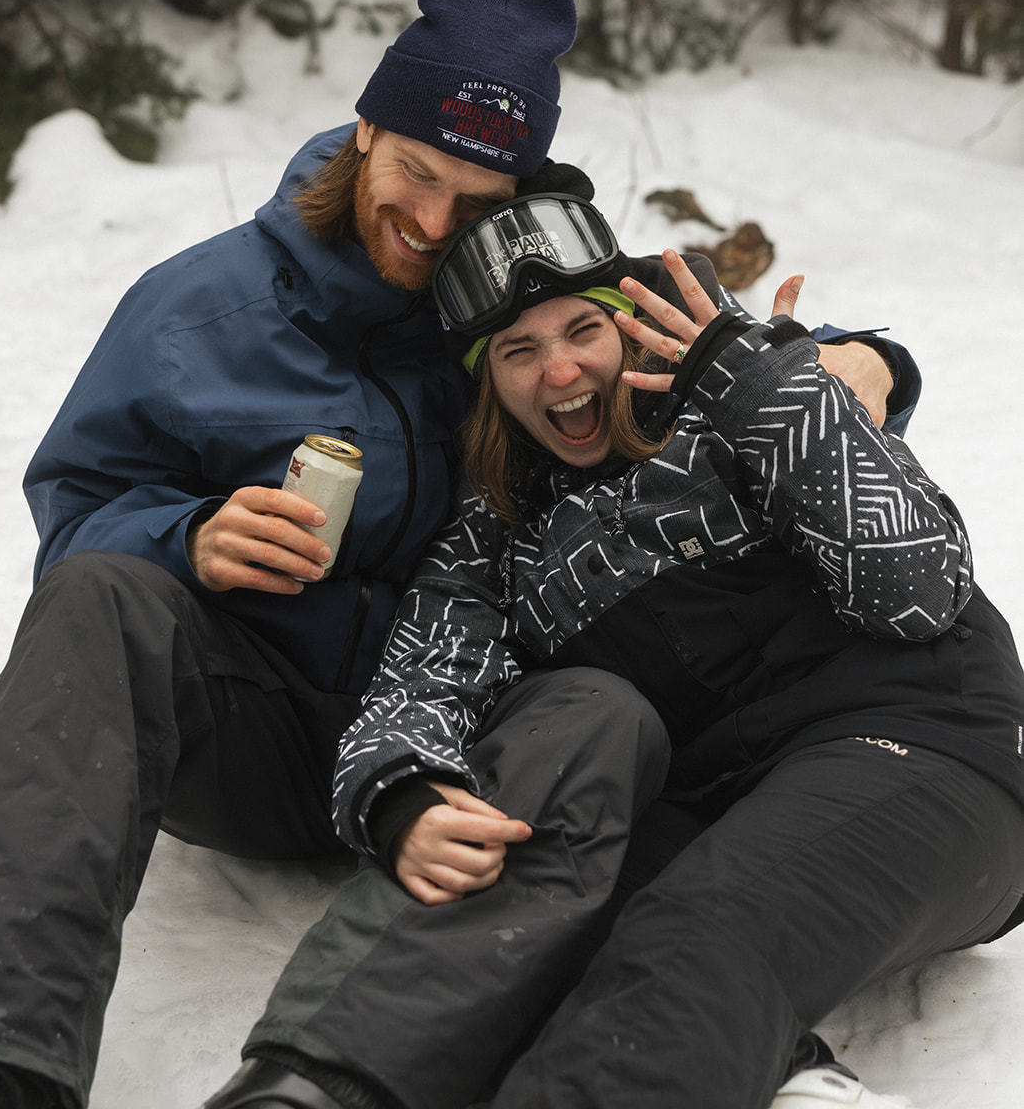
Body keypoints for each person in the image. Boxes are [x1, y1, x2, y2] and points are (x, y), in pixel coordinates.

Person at [0, 0, 913, 1109]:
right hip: (260, 722)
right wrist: (189, 536)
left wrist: (870, 359)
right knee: (100, 596)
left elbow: (681, 345)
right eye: (413, 171)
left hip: (473, 738)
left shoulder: (520, 308)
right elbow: (74, 522)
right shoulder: (192, 308)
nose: (431, 221)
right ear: (365, 128)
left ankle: (320, 1082)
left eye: (477, 201)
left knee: (600, 708)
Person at [198, 186, 1024, 1109]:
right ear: (488, 385)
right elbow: (420, 681)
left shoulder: (741, 395)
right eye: (518, 350)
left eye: (580, 330)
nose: (557, 373)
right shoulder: (495, 539)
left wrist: (770, 391)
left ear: (627, 328)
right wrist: (399, 791)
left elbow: (914, 592)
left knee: (700, 924)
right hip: (718, 804)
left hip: (920, 750)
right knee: (525, 932)